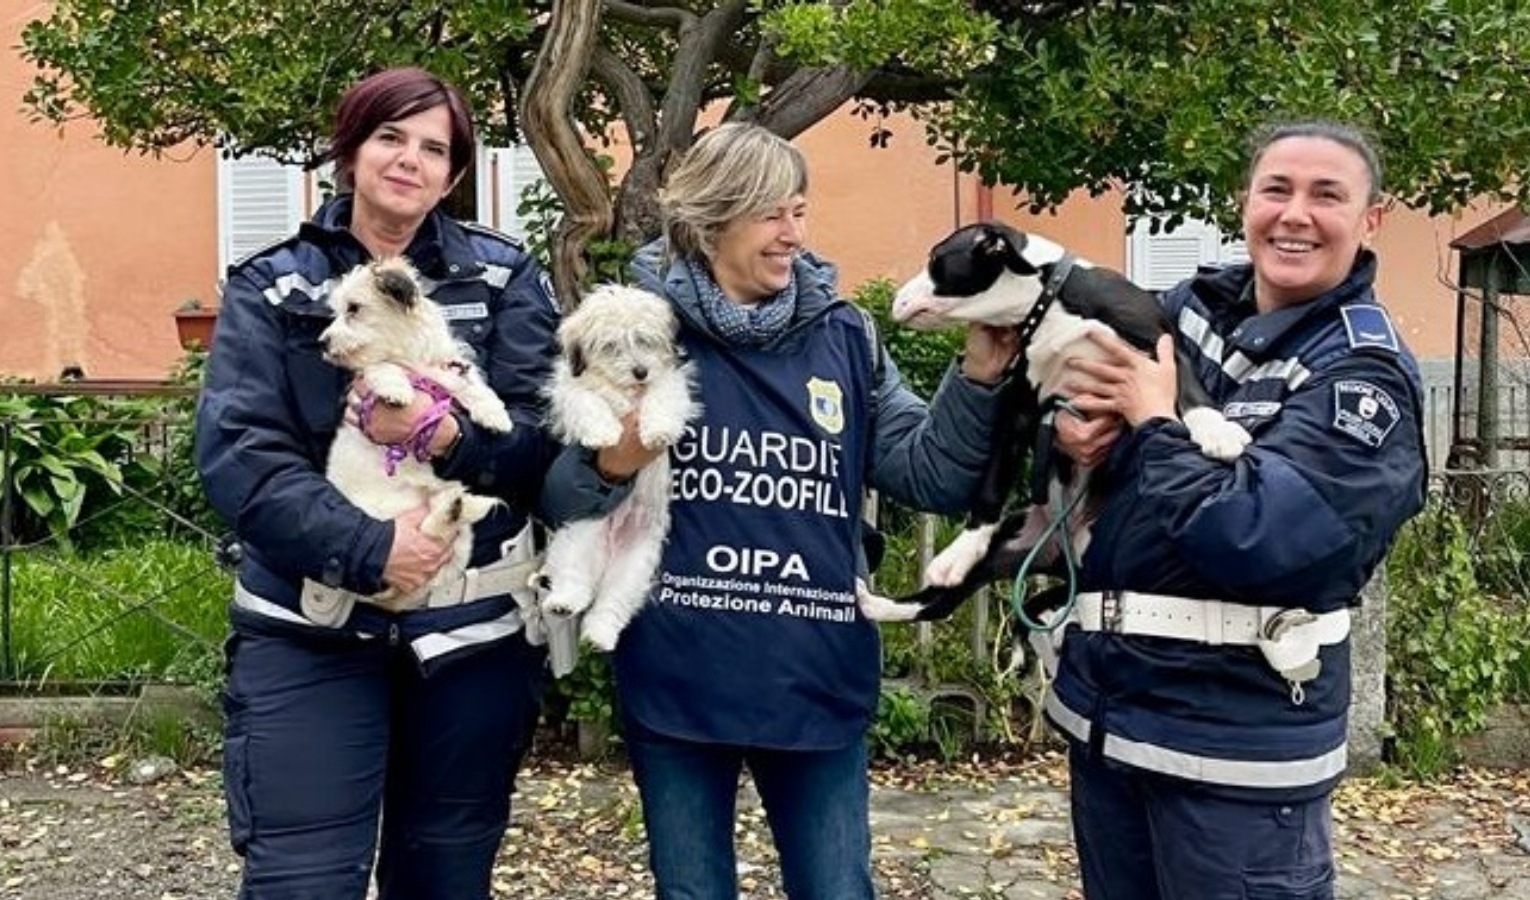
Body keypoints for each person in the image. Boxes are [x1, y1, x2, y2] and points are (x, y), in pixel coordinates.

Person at [194, 66, 621, 900]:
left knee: (445, 877)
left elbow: (540, 444)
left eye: (434, 149)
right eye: (390, 137)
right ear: (348, 152)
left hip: (473, 641)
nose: (409, 161)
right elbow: (241, 452)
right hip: (309, 631)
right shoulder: (272, 283)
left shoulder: (501, 280)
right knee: (301, 879)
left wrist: (453, 440)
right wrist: (368, 548)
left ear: (454, 175)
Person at [590, 122, 1019, 899]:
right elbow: (571, 488)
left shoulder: (845, 335)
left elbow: (929, 472)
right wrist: (608, 456)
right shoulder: (639, 329)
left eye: (801, 211)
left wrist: (980, 371)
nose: (795, 234)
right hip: (681, 670)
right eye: (773, 214)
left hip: (813, 672)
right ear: (713, 217)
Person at [1046, 119, 1428, 899]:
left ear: (1370, 219)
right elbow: (1094, 435)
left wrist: (1152, 422)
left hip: (1238, 759)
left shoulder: (1362, 373)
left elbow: (1260, 540)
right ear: (1243, 202)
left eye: (1328, 196)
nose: (1295, 215)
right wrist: (1078, 433)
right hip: (1114, 729)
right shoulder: (1182, 309)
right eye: (1275, 190)